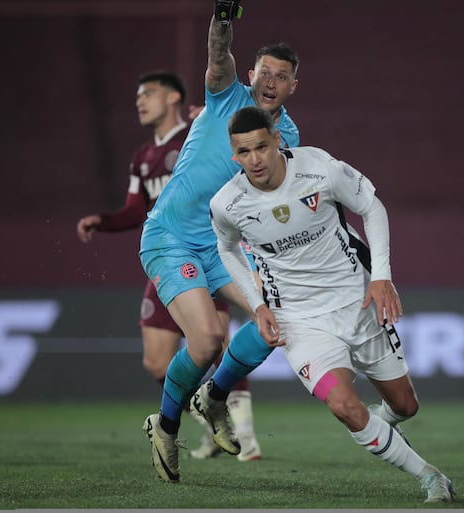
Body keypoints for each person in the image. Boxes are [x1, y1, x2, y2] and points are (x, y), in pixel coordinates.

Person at [204, 105, 455, 504]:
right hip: (299, 321)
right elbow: (227, 249)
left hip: (357, 303)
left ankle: (382, 424)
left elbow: (372, 207)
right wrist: (257, 305)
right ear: (234, 155)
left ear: (278, 142)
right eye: (244, 152)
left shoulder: (319, 168)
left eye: (261, 148)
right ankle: (431, 476)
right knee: (342, 405)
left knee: (406, 406)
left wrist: (381, 276)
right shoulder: (227, 203)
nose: (254, 159)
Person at [139, 0, 300, 482]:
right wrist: (223, 16)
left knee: (277, 318)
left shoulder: (287, 136)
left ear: (293, 86)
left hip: (222, 247)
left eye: (282, 76)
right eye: (265, 72)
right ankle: (165, 425)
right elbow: (218, 53)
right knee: (207, 340)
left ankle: (213, 395)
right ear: (251, 74)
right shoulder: (225, 94)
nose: (271, 81)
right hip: (170, 237)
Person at [76, 70, 261, 462]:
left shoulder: (202, 130)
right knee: (157, 359)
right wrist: (103, 221)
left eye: (149, 93)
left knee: (219, 337)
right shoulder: (143, 156)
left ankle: (242, 430)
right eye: (137, 95)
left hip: (212, 249)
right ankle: (193, 415)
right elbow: (135, 210)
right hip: (171, 250)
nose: (140, 101)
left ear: (175, 96)